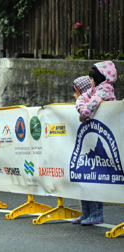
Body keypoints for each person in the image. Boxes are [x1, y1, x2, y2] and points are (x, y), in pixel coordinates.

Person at [72, 61, 117, 225]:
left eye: (92, 78)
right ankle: (86, 211)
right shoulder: (93, 91)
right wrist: (81, 108)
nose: (90, 81)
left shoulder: (105, 91)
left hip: (102, 136)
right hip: (92, 135)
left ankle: (97, 212)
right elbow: (83, 98)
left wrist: (83, 112)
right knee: (86, 174)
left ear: (98, 78)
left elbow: (90, 104)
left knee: (96, 175)